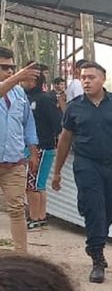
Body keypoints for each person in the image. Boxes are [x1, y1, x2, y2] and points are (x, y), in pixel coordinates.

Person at [52, 60, 112, 284]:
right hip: (86, 164)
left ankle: (96, 237)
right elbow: (65, 140)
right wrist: (57, 172)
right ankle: (97, 257)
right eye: (83, 77)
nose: (86, 81)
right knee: (94, 207)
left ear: (102, 79)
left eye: (91, 77)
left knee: (110, 207)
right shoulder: (74, 107)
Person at [0, 46, 40, 253]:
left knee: (16, 209)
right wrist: (18, 77)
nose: (10, 71)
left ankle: (21, 256)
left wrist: (32, 151)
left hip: (14, 162)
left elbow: (28, 123)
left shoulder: (19, 93)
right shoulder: (13, 85)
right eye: (4, 67)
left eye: (12, 68)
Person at [22, 65, 61, 229]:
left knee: (33, 184)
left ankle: (35, 217)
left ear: (33, 80)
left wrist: (52, 141)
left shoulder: (44, 99)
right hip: (32, 146)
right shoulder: (25, 97)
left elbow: (57, 123)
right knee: (38, 184)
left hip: (42, 147)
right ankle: (40, 216)